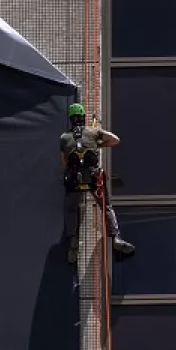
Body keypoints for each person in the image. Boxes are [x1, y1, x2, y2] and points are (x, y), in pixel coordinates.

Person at [61, 102, 136, 263]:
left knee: (71, 209)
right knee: (106, 207)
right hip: (94, 180)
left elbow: (64, 162)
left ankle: (73, 240)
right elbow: (115, 139)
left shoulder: (64, 137)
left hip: (75, 181)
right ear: (82, 117)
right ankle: (115, 237)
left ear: (70, 119)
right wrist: (98, 144)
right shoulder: (93, 131)